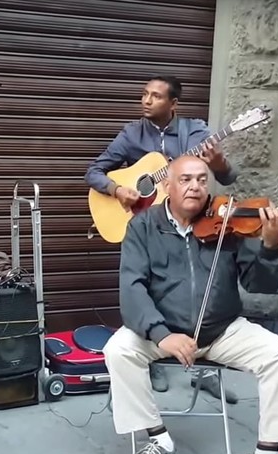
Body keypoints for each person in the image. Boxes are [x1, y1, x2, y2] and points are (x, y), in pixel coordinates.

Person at [104, 155, 278, 454]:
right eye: (185, 179)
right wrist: (162, 334)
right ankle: (159, 442)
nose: (195, 187)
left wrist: (271, 246)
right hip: (164, 330)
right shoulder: (143, 226)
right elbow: (132, 289)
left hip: (221, 330)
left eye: (202, 180)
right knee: (117, 351)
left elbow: (261, 285)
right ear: (166, 185)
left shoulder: (228, 223)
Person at [85, 75, 239, 401]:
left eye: (155, 96)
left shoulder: (194, 132)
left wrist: (220, 164)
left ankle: (205, 366)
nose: (146, 100)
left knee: (200, 291)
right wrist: (118, 189)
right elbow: (94, 171)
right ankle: (153, 357)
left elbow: (227, 177)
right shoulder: (131, 134)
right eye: (144, 94)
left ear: (173, 104)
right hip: (148, 227)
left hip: (194, 226)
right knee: (141, 287)